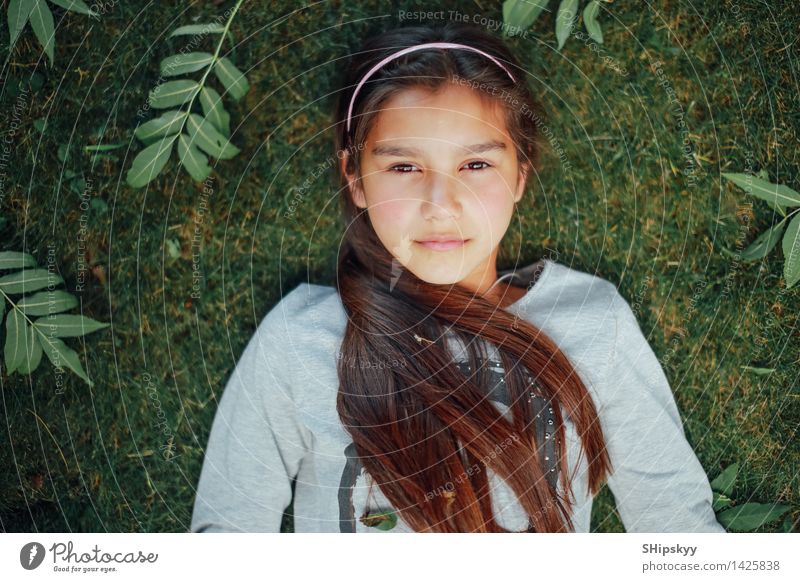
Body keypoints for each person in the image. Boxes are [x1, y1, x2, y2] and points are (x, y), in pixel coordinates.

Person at [190, 21, 725, 533]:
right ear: (354, 177)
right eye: (403, 167)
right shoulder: (300, 339)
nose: (440, 205)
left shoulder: (592, 322)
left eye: (475, 166)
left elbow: (677, 525)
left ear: (521, 173)